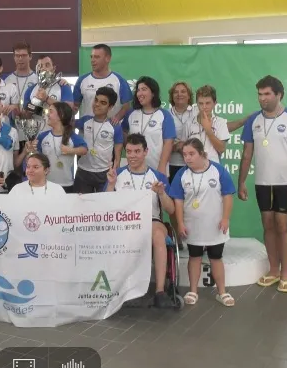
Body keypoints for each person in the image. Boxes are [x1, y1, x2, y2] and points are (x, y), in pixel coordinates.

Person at [238, 75, 287, 294]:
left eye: (267, 94)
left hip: (286, 183)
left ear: (279, 94)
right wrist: (241, 182)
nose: (262, 98)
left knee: (282, 226)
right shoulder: (253, 121)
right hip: (262, 183)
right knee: (267, 225)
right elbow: (247, 154)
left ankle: (286, 274)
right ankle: (273, 271)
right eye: (260, 94)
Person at [105, 134, 174, 308]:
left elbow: (171, 209)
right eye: (128, 151)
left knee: (158, 236)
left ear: (146, 152)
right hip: (125, 221)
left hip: (151, 219)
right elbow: (105, 206)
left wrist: (161, 193)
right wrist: (111, 185)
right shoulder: (117, 174)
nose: (132, 155)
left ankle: (160, 291)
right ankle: (122, 288)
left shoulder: (157, 176)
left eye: (137, 151)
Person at [170, 138, 236, 307]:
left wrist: (225, 218)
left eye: (191, 154)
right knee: (195, 256)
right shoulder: (181, 174)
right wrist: (180, 224)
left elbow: (227, 196)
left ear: (202, 153)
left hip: (215, 225)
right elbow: (177, 201)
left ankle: (222, 292)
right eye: (185, 155)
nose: (188, 158)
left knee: (216, 257)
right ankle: (193, 291)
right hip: (193, 226)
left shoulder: (218, 171)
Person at [74, 87, 124, 193]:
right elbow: (66, 122)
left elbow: (117, 157)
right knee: (83, 208)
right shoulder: (85, 120)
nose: (97, 104)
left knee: (103, 207)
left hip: (104, 173)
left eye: (103, 102)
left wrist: (114, 171)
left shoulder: (115, 126)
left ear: (110, 107)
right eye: (96, 100)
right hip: (83, 172)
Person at [122, 76, 176, 175]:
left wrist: (162, 166)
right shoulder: (131, 113)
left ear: (153, 93)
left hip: (157, 169)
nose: (140, 93)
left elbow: (168, 143)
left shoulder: (164, 115)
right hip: (134, 170)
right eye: (138, 90)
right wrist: (130, 149)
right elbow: (123, 132)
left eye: (144, 89)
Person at [73, 44, 132, 123]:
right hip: (86, 132)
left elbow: (126, 106)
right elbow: (74, 107)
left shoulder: (119, 80)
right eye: (91, 57)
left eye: (97, 57)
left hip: (110, 132)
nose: (92, 60)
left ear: (107, 58)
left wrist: (116, 119)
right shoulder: (82, 80)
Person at [36, 102, 88, 192]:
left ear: (61, 115)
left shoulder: (72, 136)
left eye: (51, 111)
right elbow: (38, 157)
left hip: (66, 185)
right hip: (46, 184)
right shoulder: (42, 136)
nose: (47, 114)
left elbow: (84, 150)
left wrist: (70, 150)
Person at [183, 85, 230, 164]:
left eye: (208, 103)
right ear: (196, 104)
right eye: (201, 103)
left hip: (213, 168)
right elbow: (184, 149)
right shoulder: (188, 123)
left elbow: (221, 149)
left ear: (215, 103)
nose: (204, 107)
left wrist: (208, 130)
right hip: (192, 168)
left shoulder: (220, 122)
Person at [167, 81, 195, 183]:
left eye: (183, 91)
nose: (179, 94)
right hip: (171, 164)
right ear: (172, 96)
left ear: (189, 96)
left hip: (193, 164)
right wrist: (175, 147)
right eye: (176, 92)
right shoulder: (165, 114)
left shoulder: (196, 113)